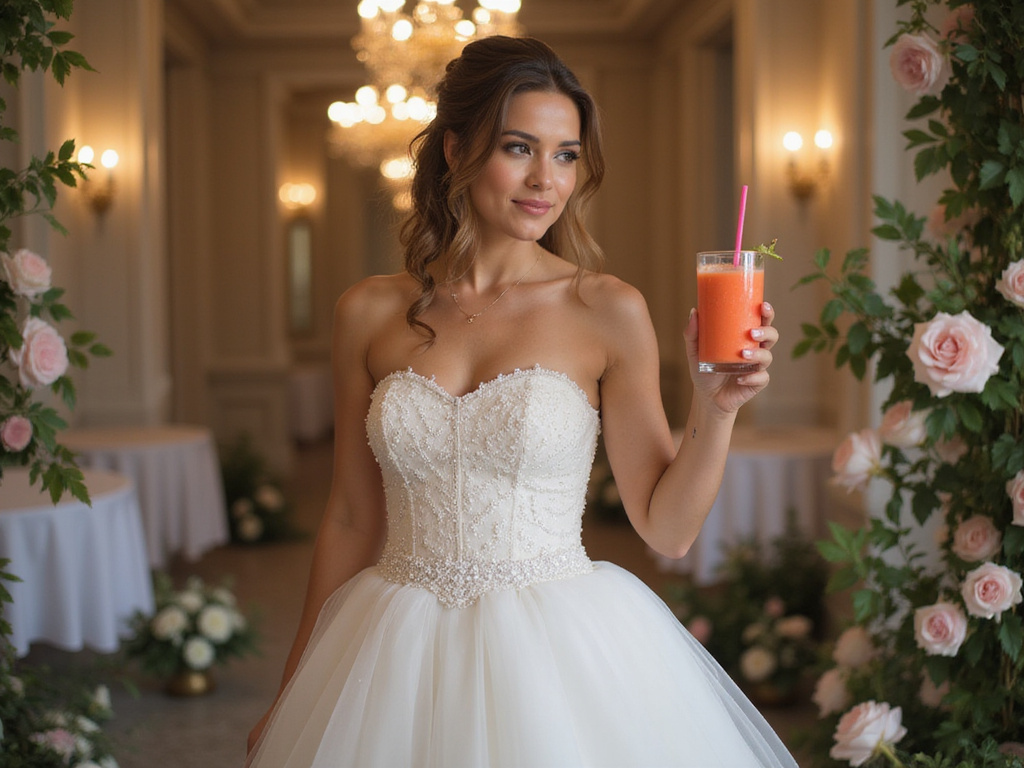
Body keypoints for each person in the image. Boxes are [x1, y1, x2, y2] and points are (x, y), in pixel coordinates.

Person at [246, 35, 796, 768]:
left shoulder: (607, 309)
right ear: (456, 149)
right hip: (392, 650)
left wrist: (715, 408)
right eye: (519, 148)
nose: (546, 179)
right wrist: (294, 691)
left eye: (566, 155)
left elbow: (667, 531)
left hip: (554, 655)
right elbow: (350, 516)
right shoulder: (368, 311)